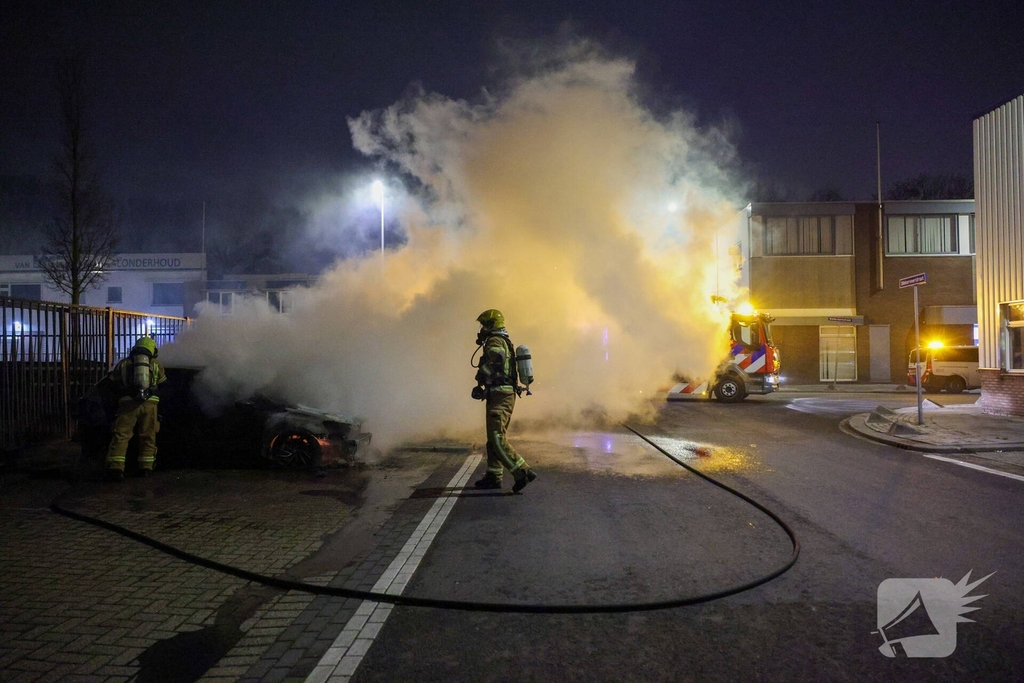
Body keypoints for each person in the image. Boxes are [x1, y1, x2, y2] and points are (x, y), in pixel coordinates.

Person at [471, 309, 537, 492]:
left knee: (497, 438)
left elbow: (496, 360)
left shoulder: (495, 340)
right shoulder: (501, 339)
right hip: (498, 393)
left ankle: (522, 471)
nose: (482, 329)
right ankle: (493, 475)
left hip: (501, 395)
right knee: (493, 439)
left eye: (484, 325)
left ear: (492, 325)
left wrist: (480, 374)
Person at [104, 336, 166, 481]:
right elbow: (164, 384)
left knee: (122, 436)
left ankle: (116, 469)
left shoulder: (124, 364)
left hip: (127, 405)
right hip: (150, 405)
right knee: (148, 436)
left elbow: (111, 384)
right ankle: (145, 468)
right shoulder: (156, 365)